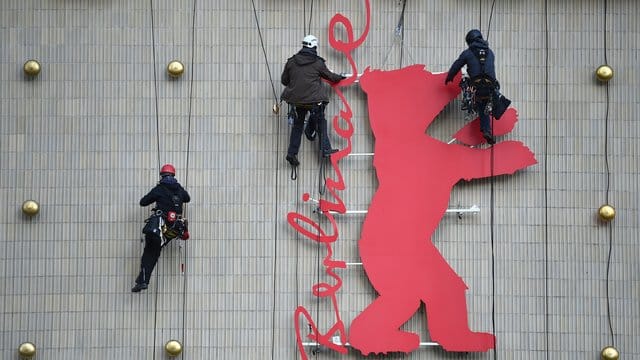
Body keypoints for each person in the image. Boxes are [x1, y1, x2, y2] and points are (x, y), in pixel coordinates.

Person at [280, 34, 346, 166]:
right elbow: (331, 77)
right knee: (321, 123)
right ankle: (325, 149)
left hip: (297, 101)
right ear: (314, 47)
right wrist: (341, 77)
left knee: (297, 126)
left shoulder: (291, 62)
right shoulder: (317, 63)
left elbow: (284, 81)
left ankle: (291, 153)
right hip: (314, 101)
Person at [132, 164, 190, 293]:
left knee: (149, 254)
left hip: (157, 228)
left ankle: (143, 281)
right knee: (154, 252)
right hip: (172, 230)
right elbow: (187, 198)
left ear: (162, 176)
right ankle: (142, 280)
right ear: (173, 175)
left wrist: (158, 195)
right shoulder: (179, 189)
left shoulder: (159, 189)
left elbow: (143, 202)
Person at [445, 29, 502, 145]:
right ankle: (486, 130)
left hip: (476, 86)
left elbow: (457, 65)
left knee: (477, 97)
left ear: (470, 41)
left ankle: (470, 103)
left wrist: (449, 77)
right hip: (490, 86)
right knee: (484, 104)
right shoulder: (490, 52)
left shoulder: (468, 53)